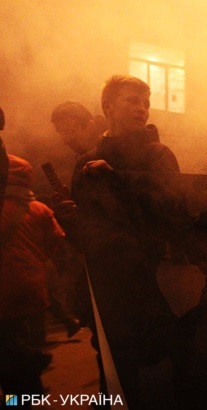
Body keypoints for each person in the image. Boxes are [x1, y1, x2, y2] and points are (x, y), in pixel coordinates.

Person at [58, 75, 184, 407]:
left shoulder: (158, 155)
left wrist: (118, 181)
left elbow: (174, 210)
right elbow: (86, 234)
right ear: (108, 107)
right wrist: (69, 220)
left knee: (158, 374)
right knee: (113, 371)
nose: (142, 108)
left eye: (146, 102)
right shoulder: (85, 162)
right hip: (105, 288)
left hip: (150, 285)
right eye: (132, 100)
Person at [0, 155, 66, 404]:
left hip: (4, 289)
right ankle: (32, 386)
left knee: (7, 351)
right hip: (33, 285)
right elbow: (56, 240)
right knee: (18, 337)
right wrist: (37, 260)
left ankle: (26, 372)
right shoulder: (39, 208)